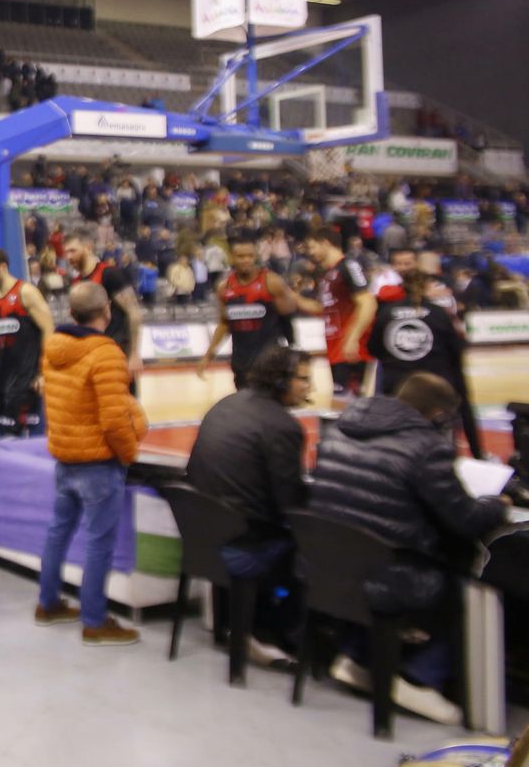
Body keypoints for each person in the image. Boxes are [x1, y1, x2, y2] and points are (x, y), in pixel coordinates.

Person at [308, 373, 512, 724]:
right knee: (461, 578)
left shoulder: (343, 426)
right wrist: (498, 504)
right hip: (386, 577)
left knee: (373, 547)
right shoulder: (426, 446)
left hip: (329, 566)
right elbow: (464, 519)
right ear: (436, 414)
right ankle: (419, 676)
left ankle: (356, 654)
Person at [34, 282, 148, 646]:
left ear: (71, 313)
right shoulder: (106, 354)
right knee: (99, 543)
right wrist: (129, 454)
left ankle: (48, 603)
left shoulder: (52, 349)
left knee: (58, 532)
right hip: (98, 463)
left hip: (65, 457)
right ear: (107, 313)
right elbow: (114, 420)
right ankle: (95, 620)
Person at [185, 346, 313, 663]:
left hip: (203, 536)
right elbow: (291, 503)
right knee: (316, 552)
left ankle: (245, 625)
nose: (309, 388)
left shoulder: (225, 405)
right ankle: (282, 635)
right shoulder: (282, 426)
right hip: (243, 541)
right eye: (303, 380)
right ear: (281, 380)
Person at [368, 269, 480, 458]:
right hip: (436, 394)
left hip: (398, 392)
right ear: (427, 286)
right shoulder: (440, 314)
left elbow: (374, 349)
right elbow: (456, 351)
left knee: (398, 451)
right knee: (439, 450)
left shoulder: (387, 313)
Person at [0, 248, 54, 437]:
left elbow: (49, 329)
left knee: (22, 436)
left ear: (3, 267)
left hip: (26, 377)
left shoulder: (27, 292)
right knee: (4, 432)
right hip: (2, 377)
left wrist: (44, 372)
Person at [198, 233, 297, 389]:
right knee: (245, 407)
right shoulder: (224, 288)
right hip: (240, 360)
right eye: (240, 256)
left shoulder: (272, 282)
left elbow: (287, 320)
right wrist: (208, 356)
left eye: (250, 256)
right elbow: (224, 324)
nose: (246, 260)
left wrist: (294, 352)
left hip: (268, 360)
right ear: (231, 257)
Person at [296, 225, 377, 397]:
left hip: (350, 350)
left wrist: (353, 338)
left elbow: (368, 302)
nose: (310, 252)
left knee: (350, 405)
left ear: (325, 243)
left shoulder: (348, 265)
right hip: (335, 349)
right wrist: (291, 295)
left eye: (312, 247)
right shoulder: (327, 275)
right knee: (343, 403)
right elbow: (319, 308)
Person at [63, 228, 144, 384]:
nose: (68, 257)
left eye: (72, 251)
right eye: (66, 253)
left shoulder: (110, 274)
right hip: (92, 358)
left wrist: (134, 354)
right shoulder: (77, 283)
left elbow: (134, 313)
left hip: (117, 354)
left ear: (87, 247)